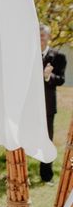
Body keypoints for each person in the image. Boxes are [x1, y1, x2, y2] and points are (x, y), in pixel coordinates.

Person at [40, 24, 67, 183]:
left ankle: (46, 175)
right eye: (37, 36)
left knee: (47, 139)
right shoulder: (28, 54)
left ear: (48, 37)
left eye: (42, 36)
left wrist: (48, 77)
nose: (39, 39)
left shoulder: (58, 57)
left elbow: (61, 80)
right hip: (28, 107)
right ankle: (19, 172)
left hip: (47, 106)